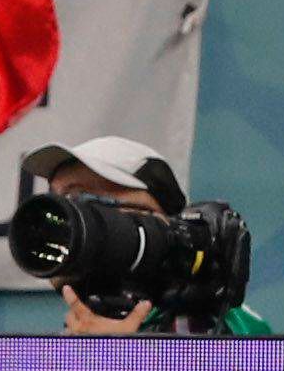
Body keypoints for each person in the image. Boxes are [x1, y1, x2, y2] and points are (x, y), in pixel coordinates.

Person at [21, 137, 270, 337]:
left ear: (164, 219)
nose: (69, 220)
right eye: (60, 200)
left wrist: (124, 362)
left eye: (88, 201)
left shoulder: (230, 329)